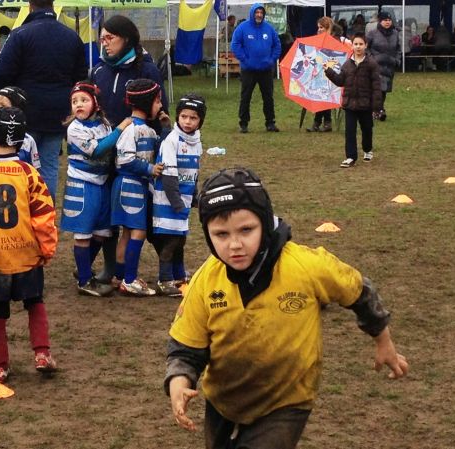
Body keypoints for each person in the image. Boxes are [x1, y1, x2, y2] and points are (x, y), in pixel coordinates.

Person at [165, 167, 409, 449]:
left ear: (266, 222)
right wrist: (178, 383)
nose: (234, 244)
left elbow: (359, 291)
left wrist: (384, 341)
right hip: (224, 401)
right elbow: (185, 347)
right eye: (220, 234)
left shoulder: (306, 266)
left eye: (246, 230)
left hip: (287, 401)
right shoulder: (206, 281)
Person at [0, 107, 58, 383]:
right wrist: (46, 249)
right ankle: (42, 354)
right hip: (26, 253)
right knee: (34, 302)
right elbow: (44, 215)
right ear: (21, 140)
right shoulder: (29, 173)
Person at [90, 14, 168, 288]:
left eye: (110, 38)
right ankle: (111, 267)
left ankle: (166, 269)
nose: (105, 44)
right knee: (110, 213)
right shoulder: (99, 69)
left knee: (140, 218)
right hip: (106, 151)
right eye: (102, 38)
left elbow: (160, 109)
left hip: (136, 154)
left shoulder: (146, 69)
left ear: (127, 39)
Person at [0, 0, 87, 201]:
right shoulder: (72, 37)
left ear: (29, 5)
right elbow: (80, 77)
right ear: (53, 4)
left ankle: (22, 213)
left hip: (24, 113)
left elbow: (1, 74)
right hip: (58, 113)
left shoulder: (19, 35)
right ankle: (45, 216)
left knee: (21, 165)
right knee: (49, 166)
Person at [60, 81, 130, 297]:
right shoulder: (75, 129)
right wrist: (120, 129)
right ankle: (84, 280)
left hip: (102, 183)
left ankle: (83, 270)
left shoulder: (104, 125)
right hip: (82, 185)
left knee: (100, 233)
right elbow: (98, 150)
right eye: (74, 101)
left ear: (95, 103)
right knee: (82, 234)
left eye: (84, 100)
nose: (78, 104)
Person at [111, 79, 164, 296]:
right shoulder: (132, 130)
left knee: (127, 234)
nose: (161, 105)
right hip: (129, 187)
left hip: (135, 187)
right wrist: (150, 169)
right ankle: (130, 280)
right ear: (147, 101)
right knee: (138, 232)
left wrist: (167, 126)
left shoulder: (148, 131)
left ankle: (119, 276)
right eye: (158, 101)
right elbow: (124, 160)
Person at [152, 94, 205, 297]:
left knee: (180, 239)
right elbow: (169, 175)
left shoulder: (196, 141)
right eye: (184, 116)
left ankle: (179, 276)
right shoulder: (171, 141)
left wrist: (194, 197)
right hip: (168, 199)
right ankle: (165, 280)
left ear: (200, 120)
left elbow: (194, 173)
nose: (188, 121)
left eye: (193, 118)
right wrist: (176, 203)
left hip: (182, 198)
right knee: (170, 240)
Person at [325, 32, 382, 168]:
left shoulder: (371, 64)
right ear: (352, 46)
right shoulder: (347, 65)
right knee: (350, 131)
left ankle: (367, 150)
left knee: (367, 129)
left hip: (365, 105)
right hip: (350, 104)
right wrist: (329, 72)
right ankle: (351, 157)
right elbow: (340, 81)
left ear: (366, 46)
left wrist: (376, 106)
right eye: (355, 44)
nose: (358, 47)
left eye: (361, 44)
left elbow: (376, 86)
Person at [231, 3, 282, 133]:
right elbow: (235, 44)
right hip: (248, 70)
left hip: (265, 70)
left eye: (261, 13)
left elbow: (277, 45)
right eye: (257, 12)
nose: (259, 15)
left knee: (268, 97)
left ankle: (270, 123)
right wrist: (244, 59)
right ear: (252, 13)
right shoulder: (242, 28)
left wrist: (271, 59)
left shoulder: (269, 28)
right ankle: (243, 124)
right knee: (246, 96)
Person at [367, 11, 401, 121]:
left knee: (384, 90)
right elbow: (365, 48)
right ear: (380, 21)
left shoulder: (395, 33)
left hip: (389, 66)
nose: (387, 22)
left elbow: (398, 49)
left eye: (389, 20)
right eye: (385, 20)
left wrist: (397, 60)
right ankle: (378, 110)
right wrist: (371, 59)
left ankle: (378, 110)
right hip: (375, 66)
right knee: (376, 89)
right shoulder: (372, 33)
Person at [306, 17, 337, 133]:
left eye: (321, 27)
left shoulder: (333, 40)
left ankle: (322, 122)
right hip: (318, 71)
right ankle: (320, 122)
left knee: (326, 96)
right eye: (318, 27)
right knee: (319, 96)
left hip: (330, 72)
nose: (319, 30)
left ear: (327, 28)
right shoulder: (317, 39)